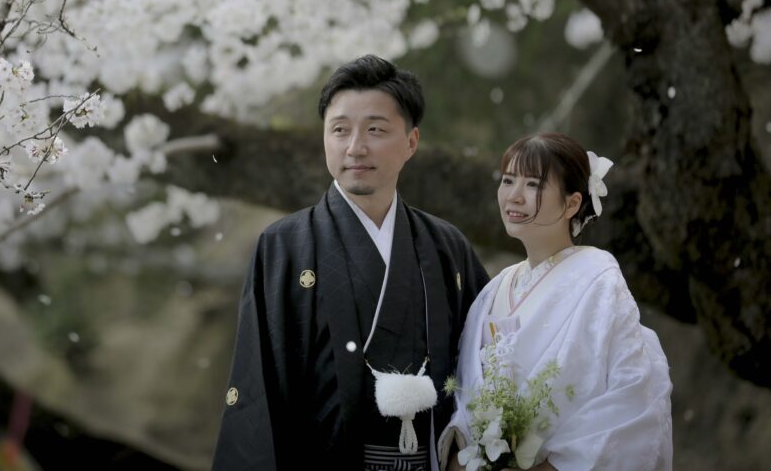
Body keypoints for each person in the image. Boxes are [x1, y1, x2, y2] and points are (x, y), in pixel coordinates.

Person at [213, 54, 489, 471]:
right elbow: (258, 394)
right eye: (340, 130)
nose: (355, 147)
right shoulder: (284, 247)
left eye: (376, 130)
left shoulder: (446, 247)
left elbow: (485, 370)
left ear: (411, 142)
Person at [440, 133, 673, 471]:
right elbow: (463, 394)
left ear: (572, 204)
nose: (514, 195)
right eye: (508, 180)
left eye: (533, 184)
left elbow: (632, 393)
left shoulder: (598, 278)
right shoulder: (495, 289)